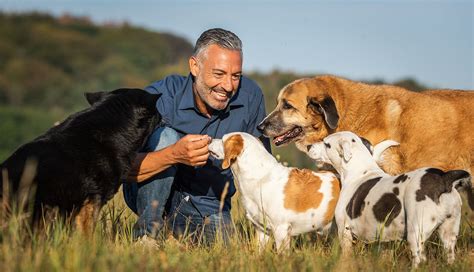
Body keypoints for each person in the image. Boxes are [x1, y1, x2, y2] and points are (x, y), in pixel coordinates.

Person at [122, 28, 271, 245]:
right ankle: (147, 237)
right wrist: (172, 155)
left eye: (236, 76)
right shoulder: (161, 96)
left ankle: (175, 235)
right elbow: (119, 168)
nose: (228, 86)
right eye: (218, 74)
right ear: (194, 66)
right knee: (167, 137)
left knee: (226, 253)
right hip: (148, 191)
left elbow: (264, 169)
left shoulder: (251, 97)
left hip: (207, 203)